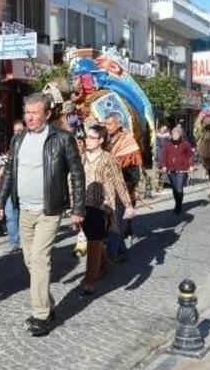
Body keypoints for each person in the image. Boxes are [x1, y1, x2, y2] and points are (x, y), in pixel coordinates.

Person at [0, 93, 85, 337]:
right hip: (24, 209)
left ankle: (41, 315)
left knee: (40, 260)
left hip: (50, 210)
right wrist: (0, 201)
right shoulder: (18, 139)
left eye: (34, 113)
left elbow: (77, 174)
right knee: (30, 261)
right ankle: (48, 303)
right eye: (27, 113)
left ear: (47, 115)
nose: (29, 117)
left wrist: (78, 209)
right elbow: (9, 173)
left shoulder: (63, 139)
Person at [81, 125, 133, 294]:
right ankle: (103, 265)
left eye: (91, 137)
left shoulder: (108, 159)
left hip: (101, 206)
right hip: (83, 205)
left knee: (94, 242)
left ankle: (90, 280)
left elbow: (119, 182)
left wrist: (128, 205)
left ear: (101, 140)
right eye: (86, 137)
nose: (87, 140)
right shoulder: (81, 157)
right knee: (91, 238)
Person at [104, 113, 142, 262]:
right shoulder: (105, 141)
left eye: (109, 124)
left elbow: (134, 172)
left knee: (115, 224)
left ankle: (109, 256)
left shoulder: (129, 143)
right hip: (105, 190)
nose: (106, 127)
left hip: (122, 189)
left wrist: (126, 187)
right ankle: (122, 252)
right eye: (105, 124)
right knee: (110, 223)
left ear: (118, 125)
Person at [0, 120, 25, 252]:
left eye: (20, 130)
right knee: (11, 215)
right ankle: (15, 243)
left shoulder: (30, 146)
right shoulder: (13, 146)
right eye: (15, 131)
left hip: (24, 187)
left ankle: (24, 241)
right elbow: (8, 166)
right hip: (10, 186)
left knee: (21, 216)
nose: (17, 133)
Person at [160, 126, 195, 214]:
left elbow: (191, 155)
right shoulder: (167, 144)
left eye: (177, 134)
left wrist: (191, 165)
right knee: (175, 189)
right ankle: (177, 203)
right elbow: (163, 156)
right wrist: (163, 165)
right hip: (171, 169)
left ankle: (178, 206)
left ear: (180, 135)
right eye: (173, 134)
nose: (175, 135)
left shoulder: (185, 144)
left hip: (182, 169)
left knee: (179, 188)